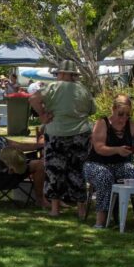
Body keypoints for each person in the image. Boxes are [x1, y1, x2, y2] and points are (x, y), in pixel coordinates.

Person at [28, 60, 95, 218]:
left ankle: (55, 209)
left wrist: (43, 114)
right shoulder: (83, 90)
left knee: (55, 170)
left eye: (58, 73)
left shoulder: (52, 87)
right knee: (77, 171)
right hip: (80, 133)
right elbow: (92, 110)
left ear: (63, 73)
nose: (57, 76)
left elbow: (32, 99)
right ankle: (81, 210)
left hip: (56, 132)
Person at [83, 95, 134, 228]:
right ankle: (101, 221)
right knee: (104, 176)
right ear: (113, 109)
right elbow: (99, 148)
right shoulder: (102, 123)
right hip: (96, 164)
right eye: (120, 114)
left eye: (127, 115)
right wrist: (117, 150)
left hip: (120, 165)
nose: (123, 118)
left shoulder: (131, 125)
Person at [0, 108, 47, 207]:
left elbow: (19, 146)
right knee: (39, 165)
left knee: (42, 162)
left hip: (12, 168)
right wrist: (3, 159)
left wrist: (39, 145)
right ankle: (40, 200)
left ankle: (50, 198)